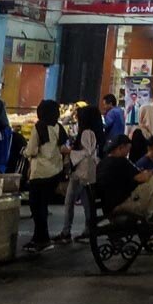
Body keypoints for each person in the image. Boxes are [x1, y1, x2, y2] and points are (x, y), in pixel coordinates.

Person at [22, 99, 70, 252]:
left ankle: (42, 239)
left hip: (40, 172)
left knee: (37, 207)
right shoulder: (59, 127)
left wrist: (23, 152)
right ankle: (39, 238)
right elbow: (63, 148)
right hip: (55, 171)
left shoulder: (39, 127)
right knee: (42, 206)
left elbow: (32, 151)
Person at [56, 103, 105, 243]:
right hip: (89, 172)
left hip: (80, 172)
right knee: (87, 202)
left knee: (70, 201)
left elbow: (86, 152)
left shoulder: (86, 132)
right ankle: (88, 229)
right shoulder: (97, 132)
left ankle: (66, 231)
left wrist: (69, 151)